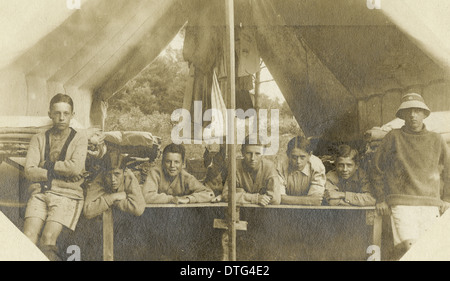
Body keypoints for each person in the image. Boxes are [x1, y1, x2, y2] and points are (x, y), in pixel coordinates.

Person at [371, 93, 450, 258]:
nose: (413, 115)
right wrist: (381, 198)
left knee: (430, 251)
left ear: (424, 113)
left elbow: (449, 171)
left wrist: (447, 199)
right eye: (408, 111)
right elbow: (376, 169)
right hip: (402, 203)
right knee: (409, 249)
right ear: (403, 115)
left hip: (430, 204)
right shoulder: (392, 137)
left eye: (417, 110)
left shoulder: (437, 140)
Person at [23, 93, 88, 261]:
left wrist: (46, 165)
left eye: (66, 113)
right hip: (40, 193)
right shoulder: (38, 139)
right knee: (28, 236)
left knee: (48, 239)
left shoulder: (80, 138)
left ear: (72, 115)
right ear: (50, 114)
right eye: (57, 113)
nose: (61, 118)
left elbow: (75, 168)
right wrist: (59, 172)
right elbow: (29, 171)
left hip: (67, 195)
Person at [142, 143, 215, 204]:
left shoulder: (186, 177)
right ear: (162, 162)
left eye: (176, 162)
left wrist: (188, 199)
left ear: (182, 164)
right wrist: (171, 199)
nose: (172, 166)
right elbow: (146, 196)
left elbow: (209, 194)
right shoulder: (155, 173)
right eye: (168, 161)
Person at [83, 150, 146, 219]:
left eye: (117, 174)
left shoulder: (128, 176)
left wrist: (105, 199)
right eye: (109, 175)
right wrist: (113, 197)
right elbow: (87, 211)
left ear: (124, 172)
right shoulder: (101, 178)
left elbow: (138, 209)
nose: (113, 179)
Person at [222, 135, 281, 206]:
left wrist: (240, 194)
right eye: (249, 153)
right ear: (242, 152)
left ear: (263, 154)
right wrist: (255, 198)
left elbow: (275, 199)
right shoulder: (236, 166)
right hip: (241, 211)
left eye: (257, 154)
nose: (253, 158)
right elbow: (226, 195)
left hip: (263, 211)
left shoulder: (269, 167)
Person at [276, 136, 326, 205]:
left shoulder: (317, 165)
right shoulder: (280, 165)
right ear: (287, 154)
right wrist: (307, 201)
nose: (298, 162)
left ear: (309, 155)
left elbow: (316, 199)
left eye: (302, 157)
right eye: (294, 157)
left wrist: (288, 199)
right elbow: (277, 197)